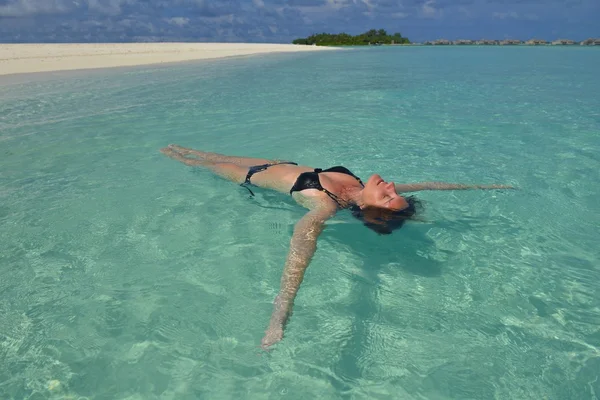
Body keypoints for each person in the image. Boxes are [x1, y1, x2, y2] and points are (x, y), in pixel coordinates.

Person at [160, 144, 515, 349]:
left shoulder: (325, 206)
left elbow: (300, 251)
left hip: (248, 176)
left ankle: (160, 150)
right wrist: (485, 187)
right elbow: (427, 185)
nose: (392, 186)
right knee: (198, 150)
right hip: (274, 159)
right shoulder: (361, 190)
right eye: (394, 192)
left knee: (189, 160)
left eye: (389, 196)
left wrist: (279, 316)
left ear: (368, 210)